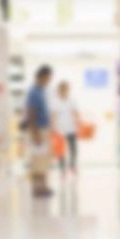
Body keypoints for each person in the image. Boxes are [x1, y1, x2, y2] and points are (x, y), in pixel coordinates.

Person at [23, 65, 54, 198]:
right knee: (37, 161)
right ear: (41, 76)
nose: (49, 80)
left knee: (44, 161)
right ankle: (36, 189)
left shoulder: (41, 91)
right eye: (48, 77)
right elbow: (31, 114)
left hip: (44, 129)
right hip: (38, 130)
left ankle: (44, 186)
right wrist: (35, 133)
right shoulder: (33, 92)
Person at [50, 80, 80, 174]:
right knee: (61, 150)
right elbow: (53, 115)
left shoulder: (72, 100)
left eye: (66, 89)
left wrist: (78, 123)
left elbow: (76, 113)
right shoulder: (55, 102)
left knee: (73, 149)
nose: (64, 91)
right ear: (59, 90)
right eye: (62, 90)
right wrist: (53, 128)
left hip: (71, 128)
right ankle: (62, 168)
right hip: (60, 130)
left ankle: (72, 165)